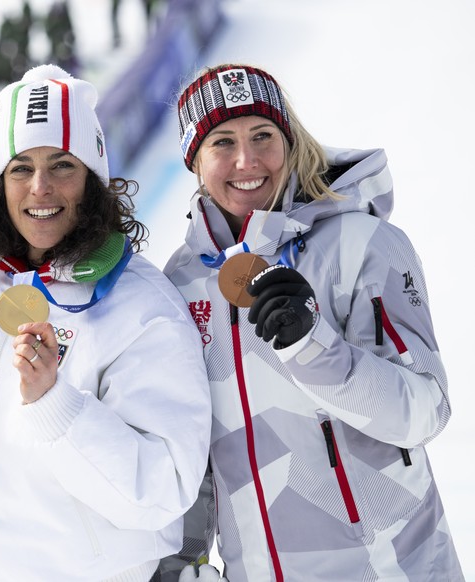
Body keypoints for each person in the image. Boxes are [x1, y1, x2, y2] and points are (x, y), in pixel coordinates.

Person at [160, 63, 464, 581]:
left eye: (263, 135)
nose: (246, 160)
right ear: (195, 161)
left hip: (394, 567)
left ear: (290, 141)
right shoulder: (183, 284)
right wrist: (181, 560)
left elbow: (425, 411)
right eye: (221, 143)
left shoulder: (362, 245)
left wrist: (313, 346)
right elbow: (192, 451)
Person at [0, 64, 212, 581]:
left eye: (62, 165)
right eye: (20, 168)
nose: (40, 187)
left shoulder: (140, 306)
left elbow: (166, 489)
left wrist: (56, 405)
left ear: (93, 180)